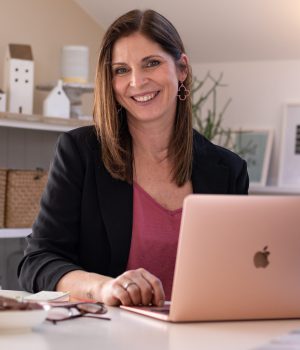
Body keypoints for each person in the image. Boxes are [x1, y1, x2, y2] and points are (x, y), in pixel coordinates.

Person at [18, 9, 249, 307]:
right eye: (121, 70)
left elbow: (242, 272)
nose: (137, 82)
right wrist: (103, 287)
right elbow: (37, 262)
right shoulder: (80, 152)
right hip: (105, 335)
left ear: (181, 69)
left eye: (151, 63)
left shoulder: (228, 170)